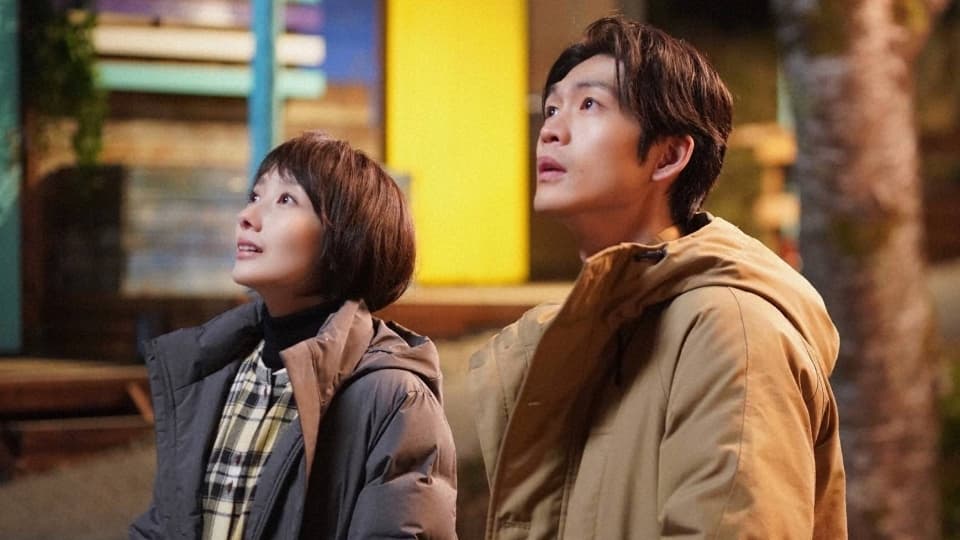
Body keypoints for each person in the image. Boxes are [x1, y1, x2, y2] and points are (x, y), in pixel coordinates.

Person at [468, 16, 846, 539]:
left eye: (589, 105)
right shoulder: (588, 334)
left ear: (669, 155)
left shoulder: (731, 329)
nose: (550, 130)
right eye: (551, 108)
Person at [131, 132, 458, 539]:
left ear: (347, 237)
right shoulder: (216, 373)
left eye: (285, 199)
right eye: (255, 196)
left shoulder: (394, 398)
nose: (248, 216)